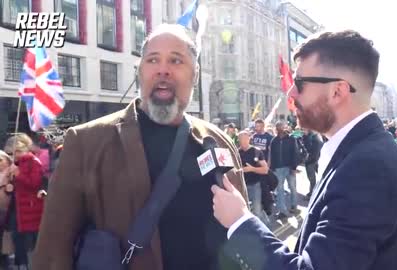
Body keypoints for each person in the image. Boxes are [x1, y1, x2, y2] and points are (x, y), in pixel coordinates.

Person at [32, 24, 247, 270]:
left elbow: (244, 236)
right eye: (153, 60)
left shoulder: (218, 141)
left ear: (194, 75)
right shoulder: (86, 142)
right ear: (140, 72)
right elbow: (52, 252)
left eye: (176, 61)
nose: (163, 70)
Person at [211, 30, 397, 270]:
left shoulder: (367, 169)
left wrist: (241, 222)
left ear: (338, 91)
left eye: (299, 83)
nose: (291, 94)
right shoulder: (363, 151)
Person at [4, 133, 44, 270]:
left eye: (18, 151)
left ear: (26, 149)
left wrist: (19, 175)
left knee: (30, 239)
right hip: (17, 206)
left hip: (29, 207)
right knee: (17, 237)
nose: (15, 155)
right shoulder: (15, 163)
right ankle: (21, 264)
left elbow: (35, 183)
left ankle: (31, 265)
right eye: (12, 152)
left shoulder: (34, 162)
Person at [269, 121, 300, 219]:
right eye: (278, 127)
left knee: (292, 188)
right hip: (278, 169)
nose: (280, 129)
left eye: (281, 127)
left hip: (290, 167)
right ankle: (282, 211)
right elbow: (272, 155)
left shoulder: (291, 139)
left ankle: (294, 206)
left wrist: (294, 168)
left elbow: (295, 153)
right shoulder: (274, 140)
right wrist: (272, 168)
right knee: (280, 190)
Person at [237, 130, 269, 224]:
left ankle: (265, 229)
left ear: (249, 138)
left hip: (255, 185)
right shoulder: (237, 152)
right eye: (240, 139)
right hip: (243, 186)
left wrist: (252, 169)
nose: (242, 141)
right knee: (246, 210)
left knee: (256, 211)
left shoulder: (256, 151)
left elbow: (265, 170)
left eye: (244, 138)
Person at [302, 128, 322, 198]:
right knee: (313, 178)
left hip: (312, 161)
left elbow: (311, 150)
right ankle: (313, 192)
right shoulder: (314, 137)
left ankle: (312, 194)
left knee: (312, 179)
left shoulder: (312, 138)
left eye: (304, 130)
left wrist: (309, 160)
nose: (302, 131)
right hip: (315, 160)